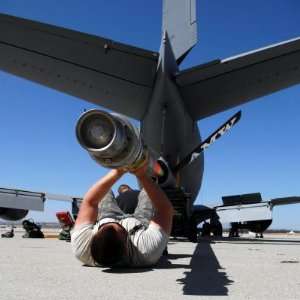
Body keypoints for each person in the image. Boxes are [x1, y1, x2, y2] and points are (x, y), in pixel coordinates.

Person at [71, 161, 174, 268]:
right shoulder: (146, 251)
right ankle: (153, 177)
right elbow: (164, 209)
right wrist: (142, 176)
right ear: (127, 245)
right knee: (147, 195)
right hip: (139, 225)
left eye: (104, 228)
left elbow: (90, 202)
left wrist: (118, 171)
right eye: (121, 227)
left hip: (107, 217)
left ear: (93, 239)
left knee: (103, 192)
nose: (118, 223)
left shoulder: (82, 249)